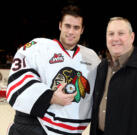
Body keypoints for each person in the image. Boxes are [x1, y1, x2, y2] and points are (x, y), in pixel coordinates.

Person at [6, 5, 100, 135]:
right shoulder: (39, 47)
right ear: (60, 25)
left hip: (72, 130)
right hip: (36, 126)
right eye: (67, 26)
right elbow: (18, 78)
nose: (71, 31)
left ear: (82, 30)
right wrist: (50, 97)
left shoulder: (92, 57)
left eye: (76, 27)